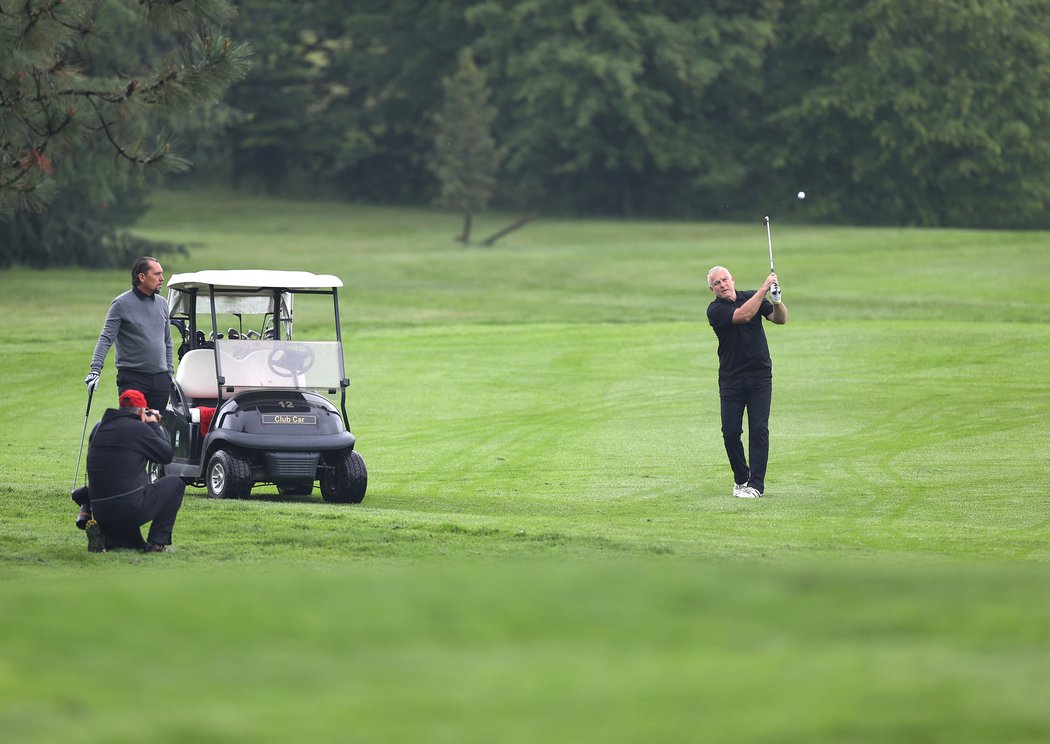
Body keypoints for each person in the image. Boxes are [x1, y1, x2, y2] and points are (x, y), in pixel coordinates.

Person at [706, 266, 787, 498]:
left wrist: (778, 301)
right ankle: (741, 478)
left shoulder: (752, 296)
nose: (722, 284)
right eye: (717, 283)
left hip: (760, 376)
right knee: (730, 433)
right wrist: (763, 289)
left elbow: (780, 320)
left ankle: (756, 485)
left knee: (759, 429)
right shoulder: (715, 310)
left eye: (725, 279)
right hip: (731, 379)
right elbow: (743, 315)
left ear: (732, 279)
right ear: (712, 289)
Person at [82, 389, 185, 552]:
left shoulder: (98, 428)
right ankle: (157, 542)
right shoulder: (139, 429)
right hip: (129, 508)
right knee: (175, 484)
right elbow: (165, 456)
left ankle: (105, 537)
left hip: (99, 510)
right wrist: (154, 425)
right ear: (141, 411)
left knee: (127, 538)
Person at [85, 256, 174, 412]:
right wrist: (95, 370)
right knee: (134, 426)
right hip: (133, 379)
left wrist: (169, 374)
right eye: (157, 274)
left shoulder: (162, 303)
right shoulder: (120, 304)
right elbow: (106, 339)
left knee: (156, 429)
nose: (162, 278)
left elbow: (167, 341)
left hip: (160, 380)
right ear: (142, 277)